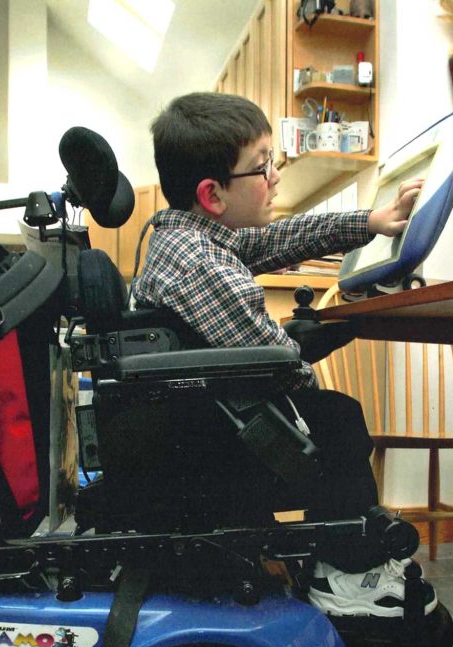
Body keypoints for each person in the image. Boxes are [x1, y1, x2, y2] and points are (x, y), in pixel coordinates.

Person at [131, 91, 429, 618]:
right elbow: (286, 371)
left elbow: (278, 241)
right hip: (211, 455)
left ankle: (340, 564)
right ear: (213, 194)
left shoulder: (184, 235)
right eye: (262, 168)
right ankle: (349, 573)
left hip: (196, 427)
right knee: (337, 420)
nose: (274, 178)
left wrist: (371, 222)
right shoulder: (205, 267)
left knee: (330, 413)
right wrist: (304, 348)